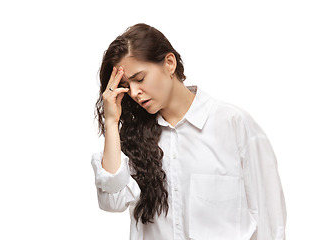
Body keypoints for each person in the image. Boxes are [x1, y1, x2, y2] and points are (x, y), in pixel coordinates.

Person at [91, 23, 287, 240]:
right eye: (127, 86)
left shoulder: (234, 125)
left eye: (140, 78)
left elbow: (270, 223)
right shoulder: (135, 139)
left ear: (169, 63)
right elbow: (111, 201)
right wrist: (111, 121)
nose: (135, 92)